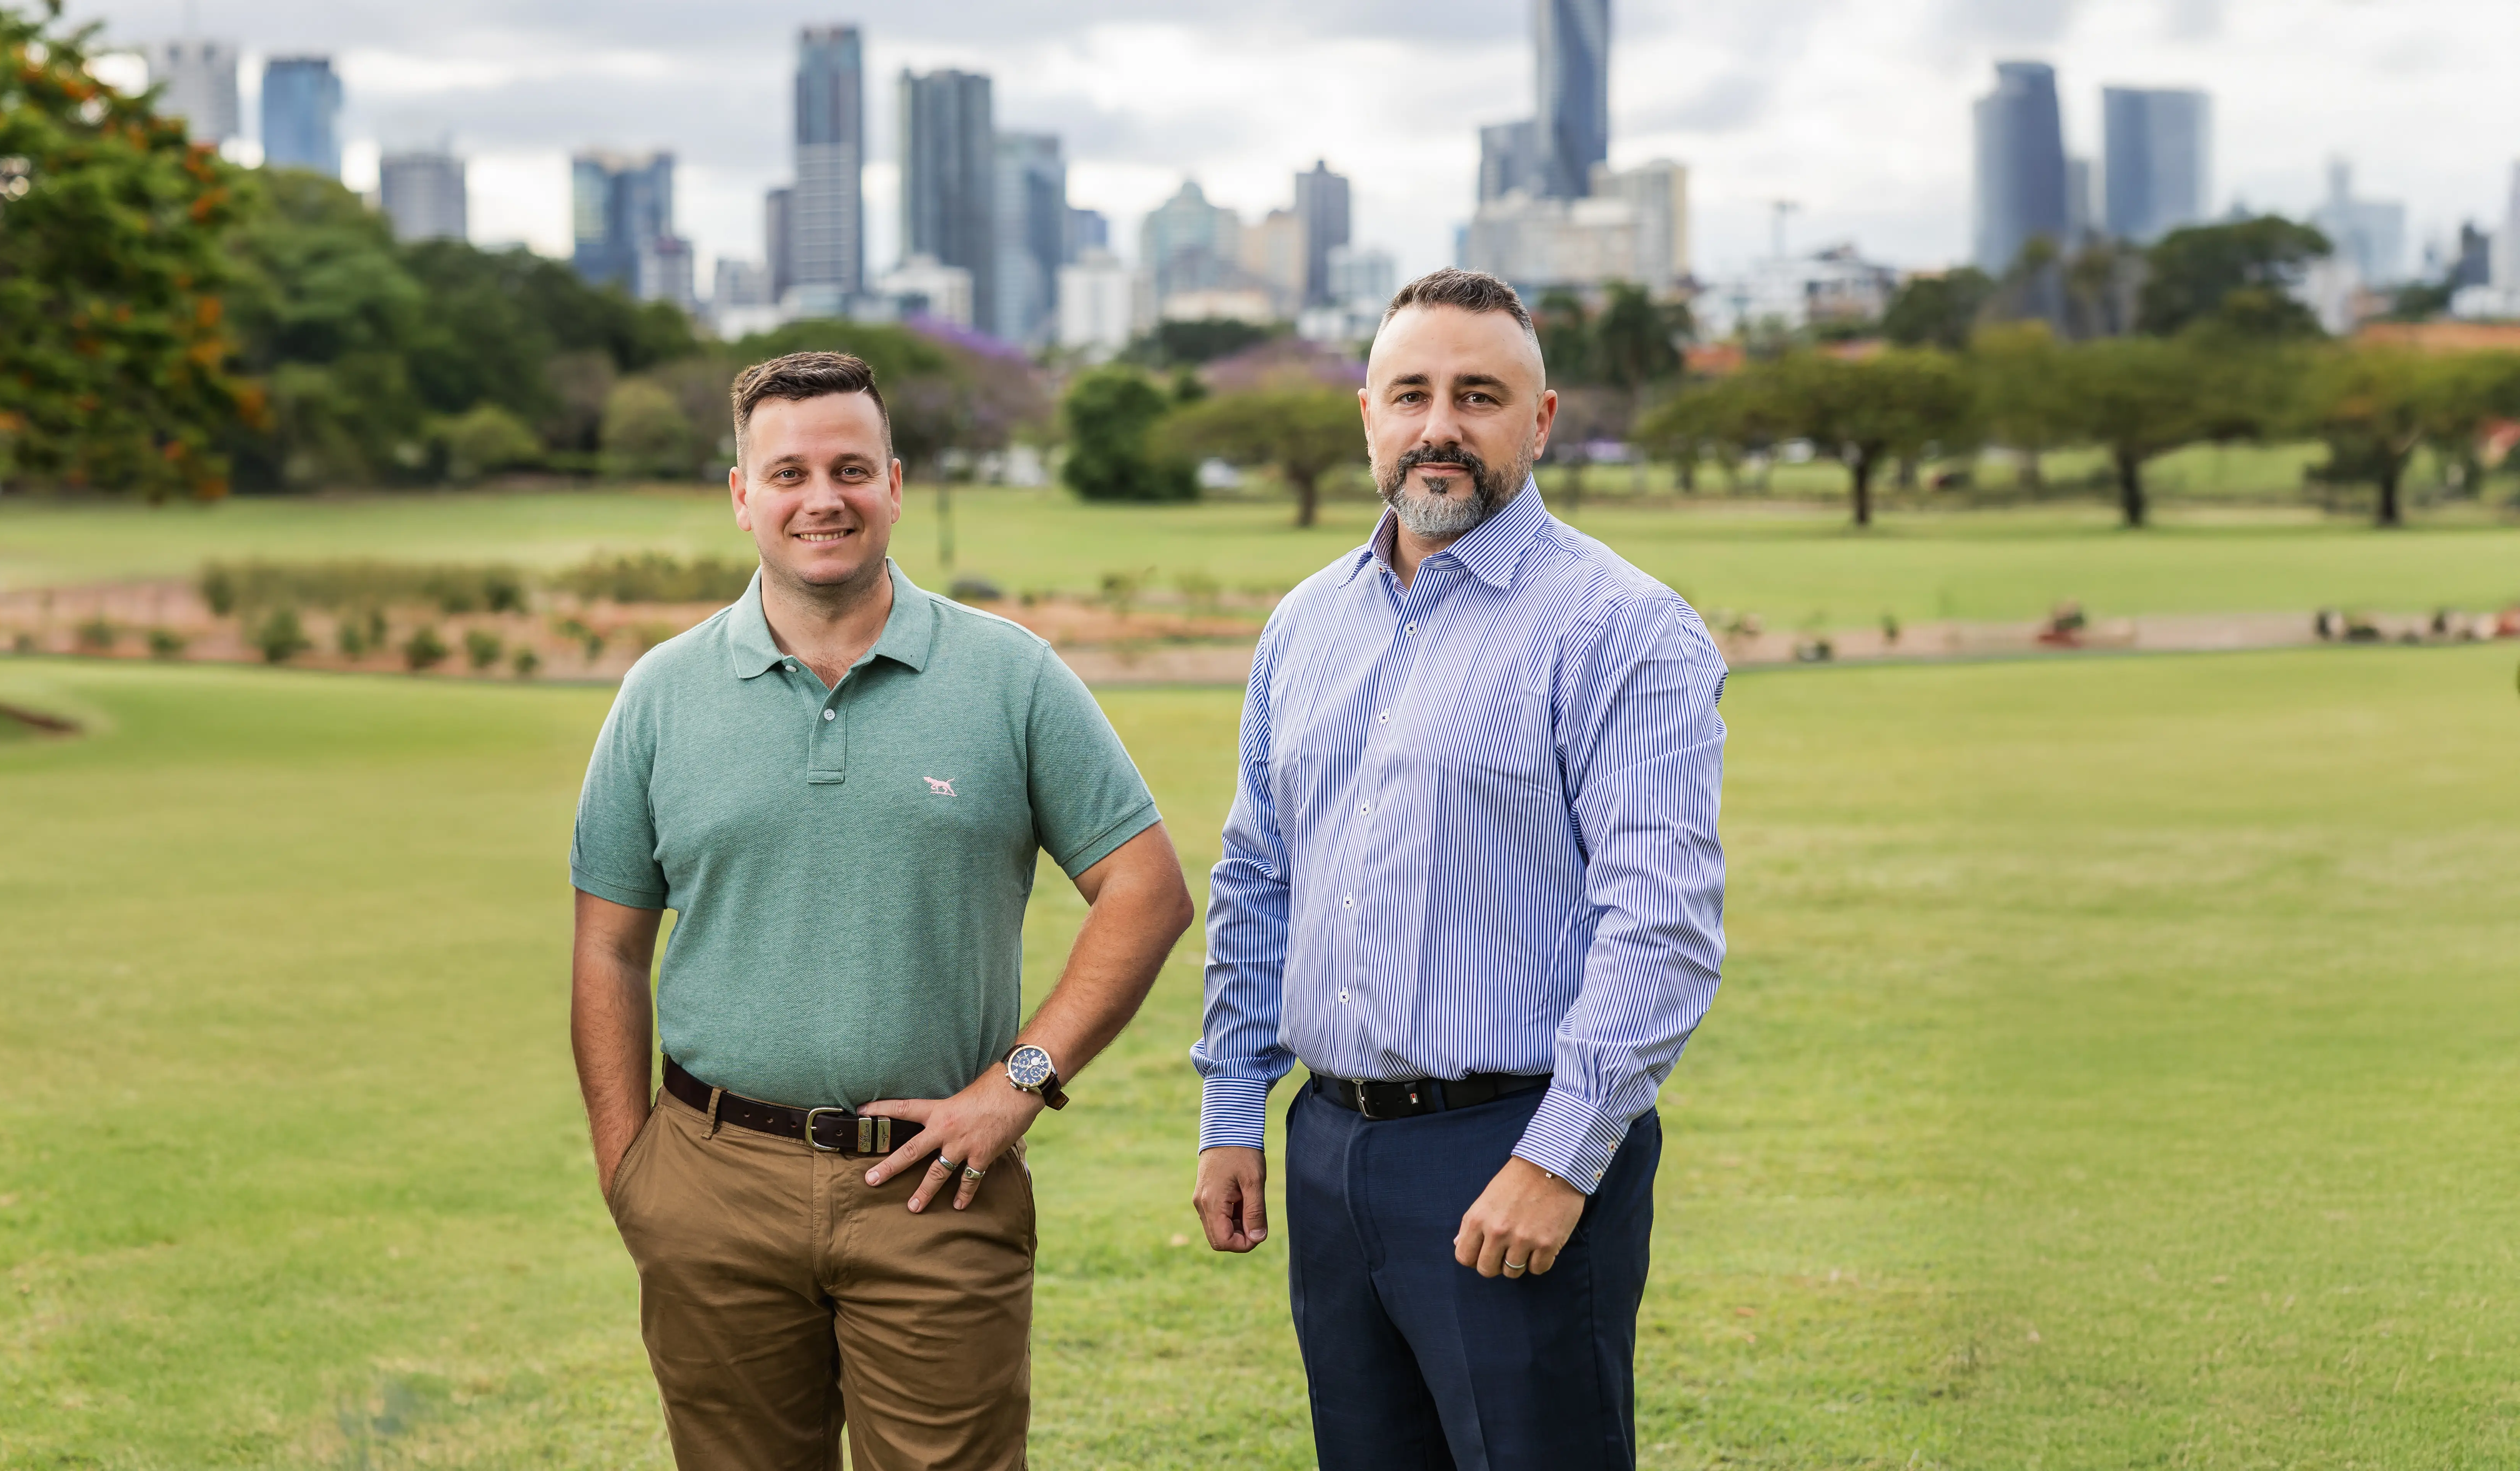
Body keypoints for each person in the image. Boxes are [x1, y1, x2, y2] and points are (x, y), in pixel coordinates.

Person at [570, 350, 1195, 1471]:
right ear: (742, 494)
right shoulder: (661, 694)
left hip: (936, 1187)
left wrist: (1021, 1085)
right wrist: (633, 1172)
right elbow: (608, 948)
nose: (824, 497)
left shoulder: (1010, 676)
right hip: (714, 1183)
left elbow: (1145, 891)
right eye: (791, 471)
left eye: (852, 468)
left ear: (895, 484)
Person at [1191, 270, 1729, 1470]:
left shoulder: (1621, 627)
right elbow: (1256, 878)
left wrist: (1557, 1156)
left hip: (1514, 1145)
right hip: (1332, 1151)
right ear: (1368, 416)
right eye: (1413, 393)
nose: (1441, 425)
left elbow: (1662, 923)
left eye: (1479, 395)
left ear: (1539, 422)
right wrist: (1236, 1108)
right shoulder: (1306, 624)